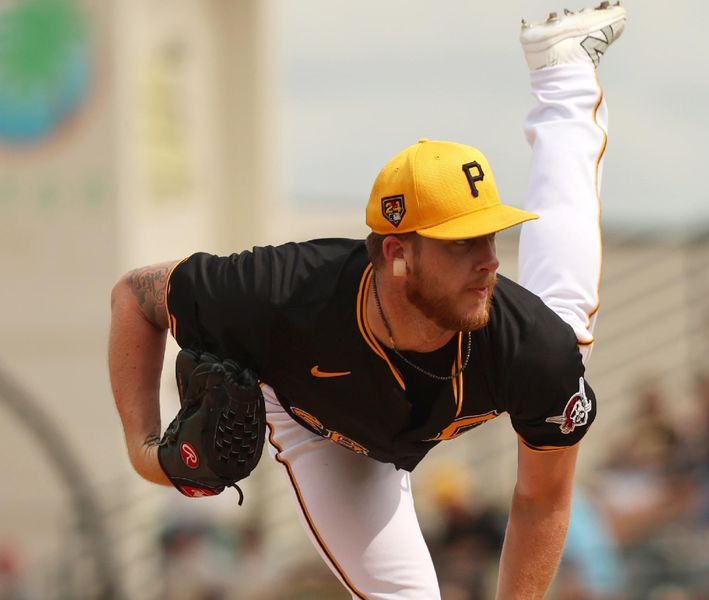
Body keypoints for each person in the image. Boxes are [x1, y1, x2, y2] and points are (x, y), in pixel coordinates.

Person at [108, 4, 626, 598]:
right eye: (462, 244)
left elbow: (540, 501)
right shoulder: (277, 292)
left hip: (482, 365)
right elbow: (133, 297)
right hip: (323, 431)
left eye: (489, 235)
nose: (489, 259)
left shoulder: (529, 347)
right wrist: (143, 450)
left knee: (563, 330)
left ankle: (564, 70)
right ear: (398, 253)